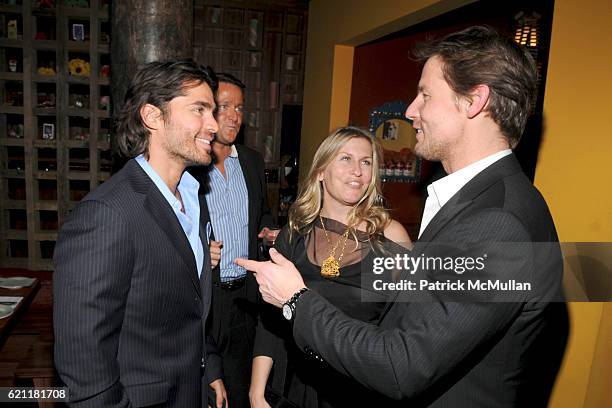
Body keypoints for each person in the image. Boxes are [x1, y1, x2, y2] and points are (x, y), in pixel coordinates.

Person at [237, 26, 569, 407]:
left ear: (474, 101)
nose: (411, 110)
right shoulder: (476, 202)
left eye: (425, 95)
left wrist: (296, 299)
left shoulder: (497, 222)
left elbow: (401, 364)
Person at [54, 59, 227, 407]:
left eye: (213, 111)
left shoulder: (194, 198)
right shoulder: (107, 214)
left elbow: (191, 305)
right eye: (199, 110)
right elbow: (84, 360)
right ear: (152, 117)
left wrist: (209, 369)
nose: (214, 125)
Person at [248, 126, 412, 408]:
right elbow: (271, 320)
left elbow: (407, 323)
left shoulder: (390, 236)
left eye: (366, 162)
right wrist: (256, 390)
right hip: (298, 387)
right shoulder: (295, 234)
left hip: (361, 388)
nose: (358, 171)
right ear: (321, 171)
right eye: (346, 159)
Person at [192, 73, 277, 408]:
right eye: (225, 106)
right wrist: (199, 249)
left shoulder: (253, 161)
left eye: (240, 107)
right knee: (207, 389)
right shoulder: (191, 164)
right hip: (208, 295)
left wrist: (269, 232)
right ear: (208, 111)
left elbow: (264, 214)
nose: (234, 115)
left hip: (247, 294)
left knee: (243, 387)